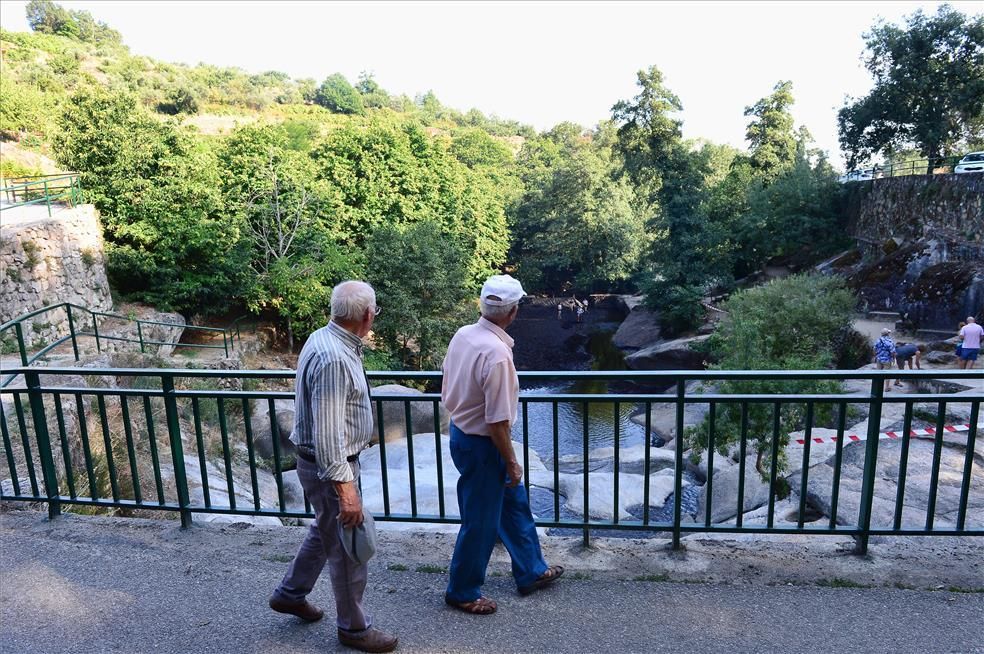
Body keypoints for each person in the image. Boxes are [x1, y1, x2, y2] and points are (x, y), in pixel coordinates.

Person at [269, 280, 398, 654]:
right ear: (367, 315)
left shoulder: (325, 338)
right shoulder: (335, 358)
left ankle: (290, 594)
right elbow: (328, 436)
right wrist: (347, 491)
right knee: (347, 549)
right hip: (331, 467)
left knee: (325, 530)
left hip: (320, 465)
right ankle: (354, 629)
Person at [441, 274, 564, 615]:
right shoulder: (498, 356)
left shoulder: (464, 335)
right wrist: (511, 461)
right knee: (480, 521)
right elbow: (497, 422)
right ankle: (462, 590)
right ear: (512, 313)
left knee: (514, 504)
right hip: (484, 445)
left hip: (463, 433)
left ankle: (532, 570)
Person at [873, 328, 896, 392]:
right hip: (887, 360)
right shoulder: (890, 341)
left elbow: (874, 349)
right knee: (887, 374)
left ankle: (877, 387)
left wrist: (875, 356)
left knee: (878, 373)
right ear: (888, 334)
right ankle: (887, 387)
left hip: (879, 358)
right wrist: (893, 359)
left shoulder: (878, 340)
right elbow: (893, 352)